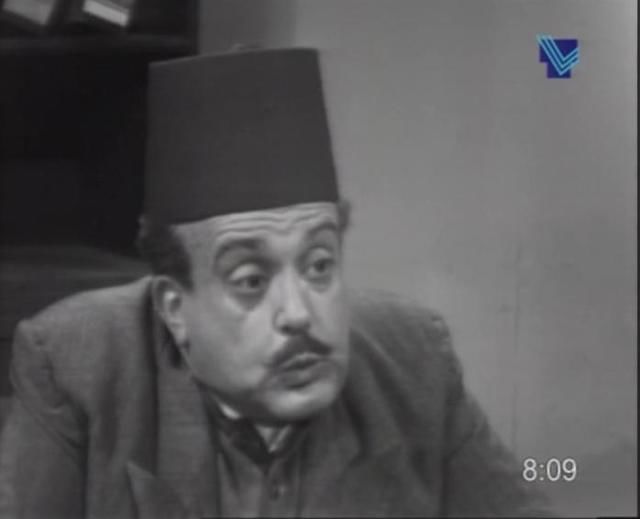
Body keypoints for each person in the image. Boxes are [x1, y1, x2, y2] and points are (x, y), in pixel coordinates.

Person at [0, 48, 550, 518]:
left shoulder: (413, 362)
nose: (299, 313)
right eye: (251, 279)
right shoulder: (77, 367)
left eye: (319, 266)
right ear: (174, 308)